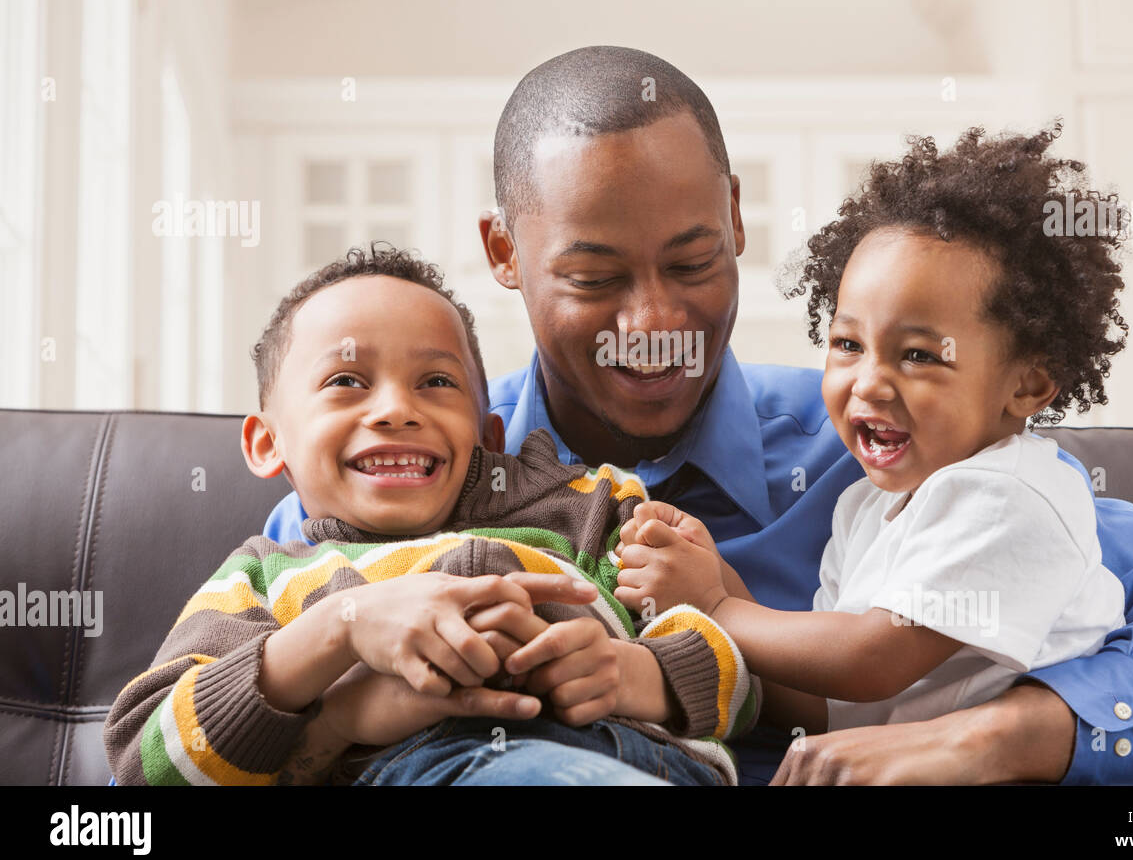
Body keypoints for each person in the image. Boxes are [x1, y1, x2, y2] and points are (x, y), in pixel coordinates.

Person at [263, 45, 1133, 785]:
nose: (654, 322)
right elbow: (229, 706)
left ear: (737, 221)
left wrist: (1003, 735)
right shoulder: (393, 473)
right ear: (503, 253)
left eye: (692, 261)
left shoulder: (886, 443)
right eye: (592, 276)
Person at [103, 244, 753, 786]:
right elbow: (145, 768)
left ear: (488, 432)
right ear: (267, 441)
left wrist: (637, 676)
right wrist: (337, 631)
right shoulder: (264, 578)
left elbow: (747, 690)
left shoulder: (591, 511)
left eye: (436, 382)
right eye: (346, 382)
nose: (395, 409)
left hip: (642, 759)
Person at [613, 124, 1133, 739]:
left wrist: (717, 605)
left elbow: (872, 660)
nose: (870, 383)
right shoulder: (865, 507)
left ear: (1028, 385)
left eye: (917, 355)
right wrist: (712, 572)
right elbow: (824, 703)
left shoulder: (1010, 495)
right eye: (847, 344)